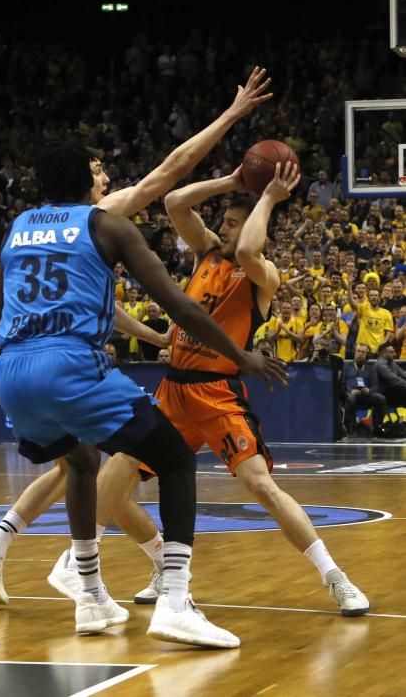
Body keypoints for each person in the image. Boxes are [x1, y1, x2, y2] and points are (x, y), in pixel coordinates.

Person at [0, 66, 274, 600]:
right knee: (147, 458)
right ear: (84, 179)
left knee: (80, 462)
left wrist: (155, 342)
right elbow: (170, 173)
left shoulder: (20, 226)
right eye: (99, 169)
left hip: (13, 363)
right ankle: (163, 584)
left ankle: (5, 548)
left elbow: (6, 305)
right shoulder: (98, 218)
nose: (106, 177)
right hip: (70, 363)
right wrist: (232, 115)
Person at [49, 162, 369, 622]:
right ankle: (110, 562)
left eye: (231, 222)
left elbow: (252, 248)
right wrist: (233, 181)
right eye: (223, 222)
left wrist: (268, 198)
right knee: (116, 472)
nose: (223, 229)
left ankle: (336, 577)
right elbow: (175, 202)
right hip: (174, 391)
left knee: (261, 485)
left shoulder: (263, 275)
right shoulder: (206, 255)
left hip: (217, 394)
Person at [342, 343, 387, 437]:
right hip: (351, 394)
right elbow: (342, 384)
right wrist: (350, 390)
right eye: (358, 351)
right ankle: (351, 429)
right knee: (351, 398)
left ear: (367, 355)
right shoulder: (346, 367)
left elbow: (376, 386)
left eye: (363, 352)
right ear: (354, 353)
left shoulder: (371, 369)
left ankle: (376, 427)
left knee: (381, 398)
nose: (360, 354)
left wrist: (369, 390)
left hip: (366, 395)